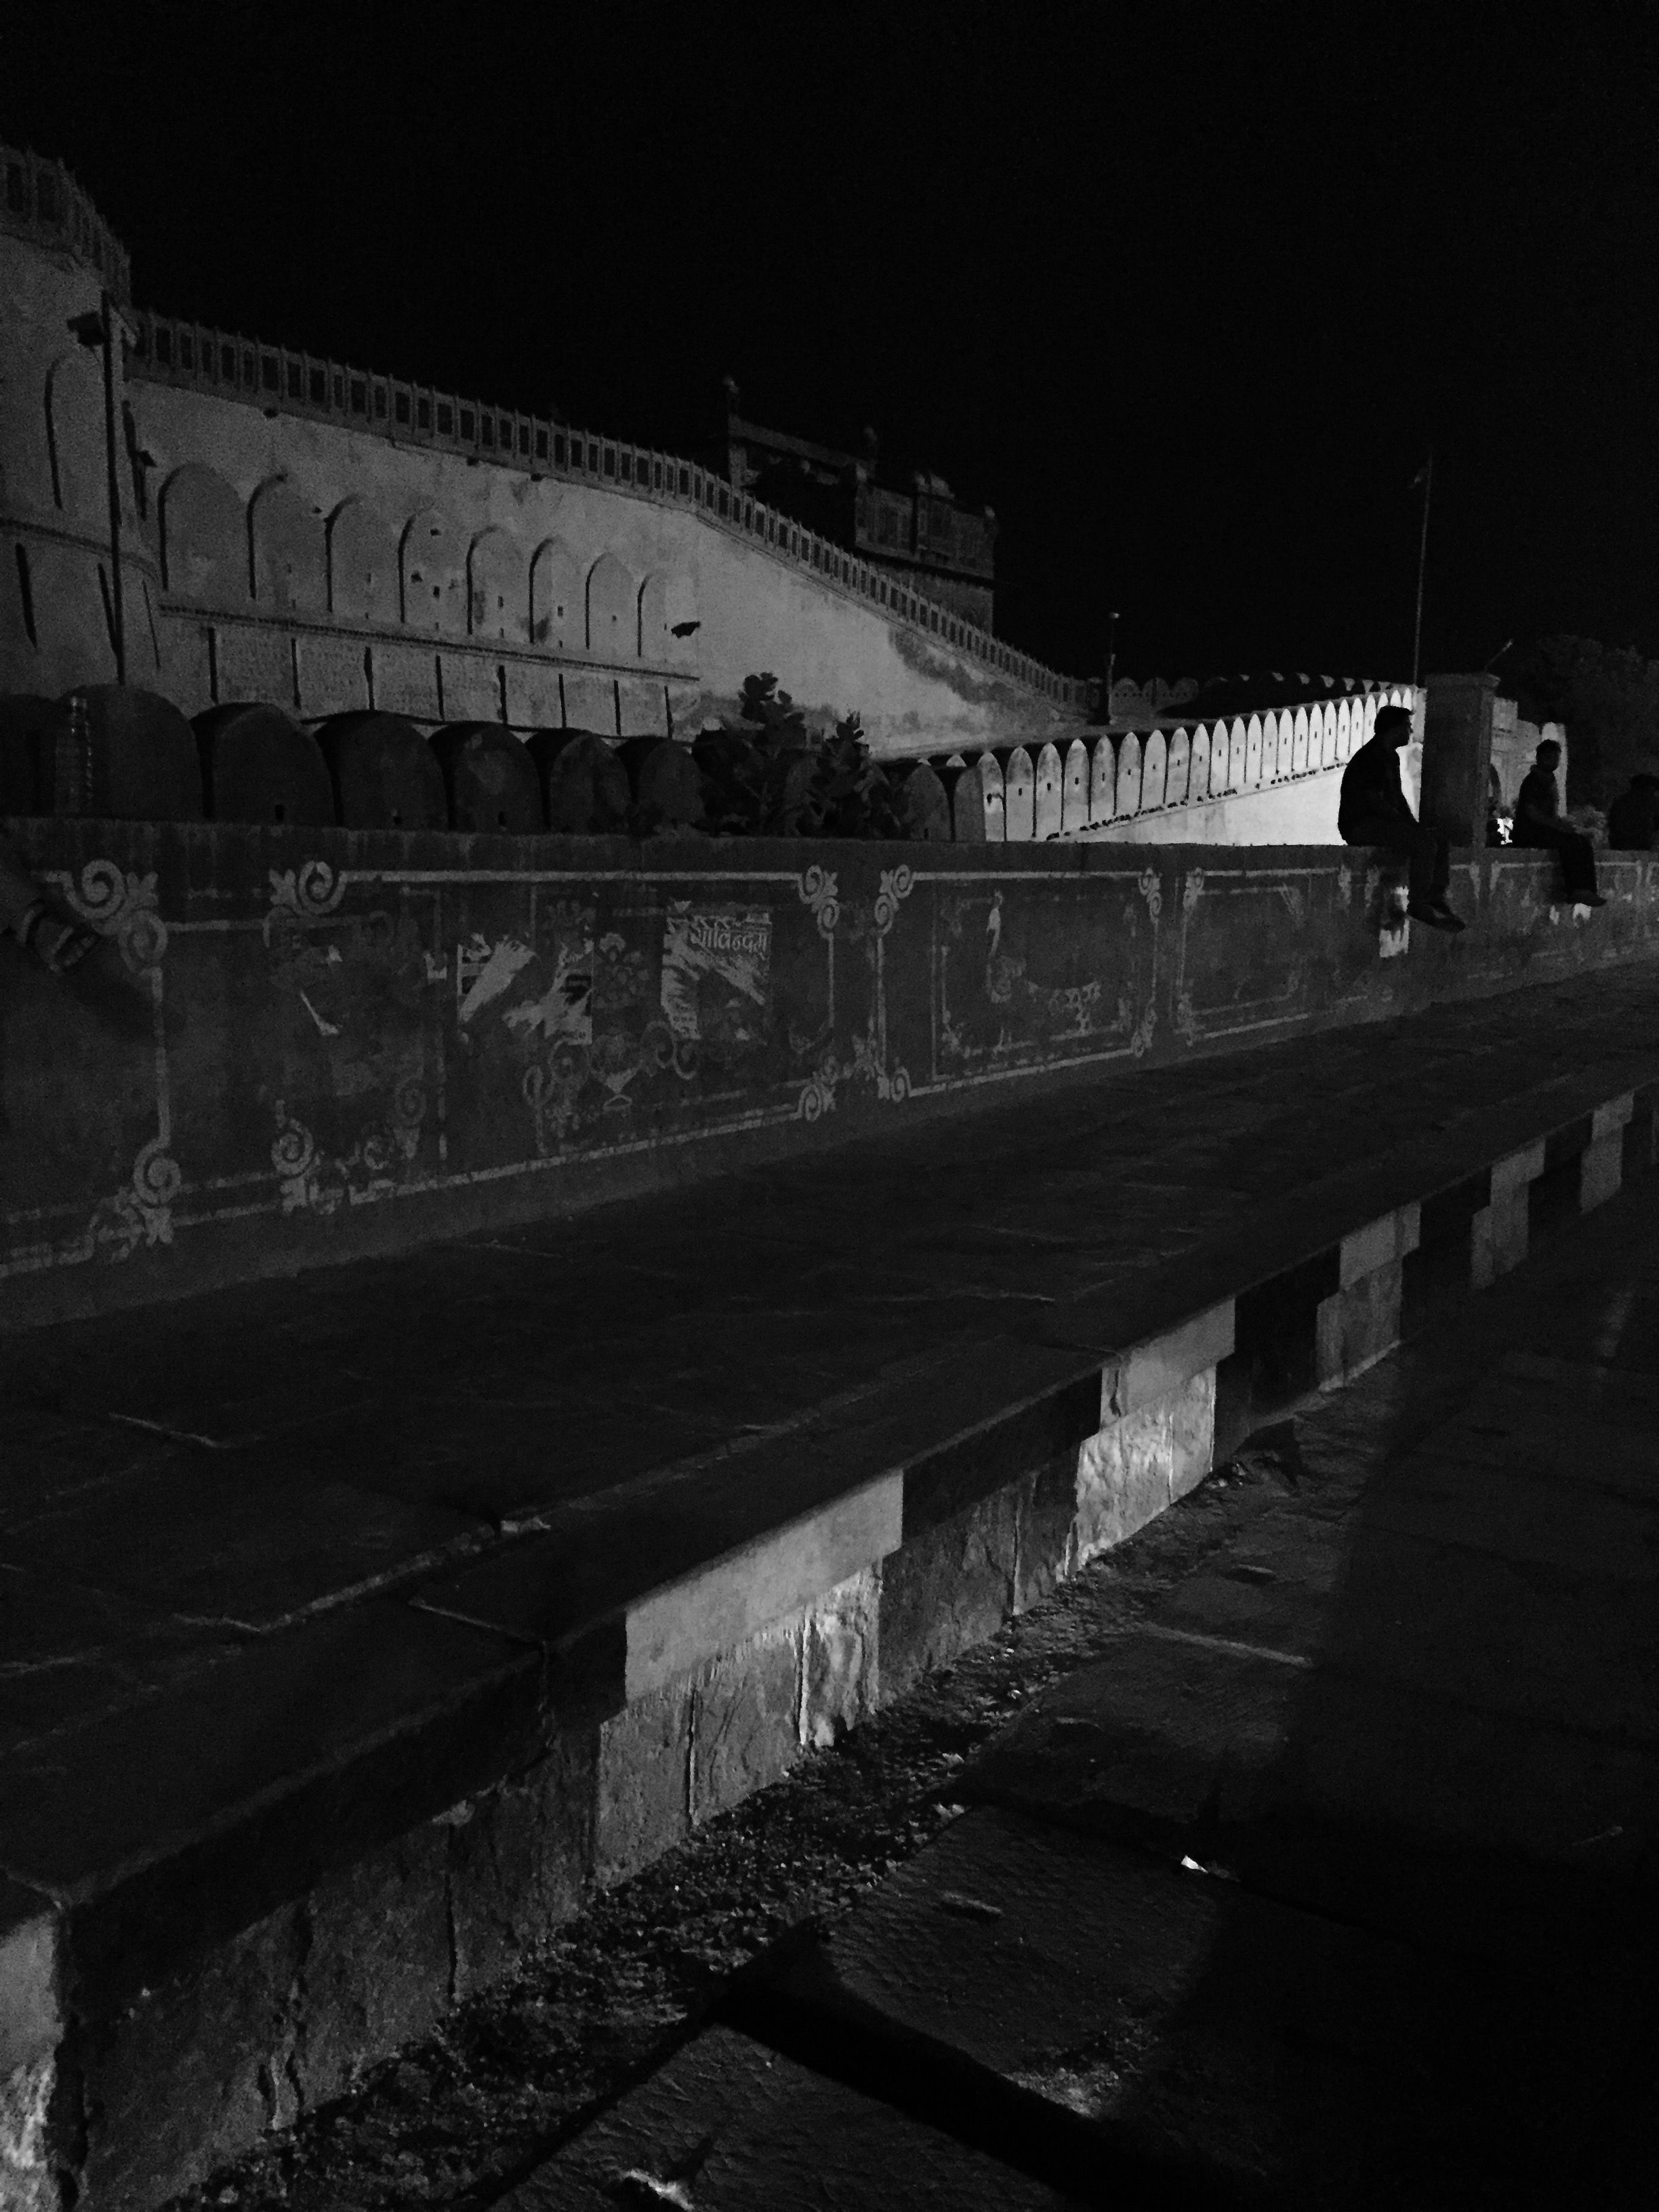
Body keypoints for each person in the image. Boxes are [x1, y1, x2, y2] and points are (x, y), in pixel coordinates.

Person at [1338, 702, 1466, 930]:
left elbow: (1396, 797)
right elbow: (1373, 800)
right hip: (1361, 825)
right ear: (1394, 729)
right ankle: (1418, 903)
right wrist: (1403, 823)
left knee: (1438, 840)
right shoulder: (1371, 757)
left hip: (1380, 823)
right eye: (1407, 726)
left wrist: (1411, 824)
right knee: (1424, 844)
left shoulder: (1390, 757)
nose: (1410, 731)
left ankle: (1434, 897)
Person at [1512, 738, 1605, 905]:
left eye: (1557, 758)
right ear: (1540, 758)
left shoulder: (1549, 781)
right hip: (1530, 832)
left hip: (1544, 829)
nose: (1554, 762)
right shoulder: (1533, 781)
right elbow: (1531, 813)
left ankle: (1587, 890)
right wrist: (1556, 825)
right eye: (1550, 757)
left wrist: (1564, 825)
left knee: (1582, 841)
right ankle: (1576, 890)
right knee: (1570, 843)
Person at [1606, 771, 1659, 851]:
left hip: (1618, 844)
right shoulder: (1652, 802)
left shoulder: (1620, 800)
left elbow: (1611, 823)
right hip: (1642, 845)